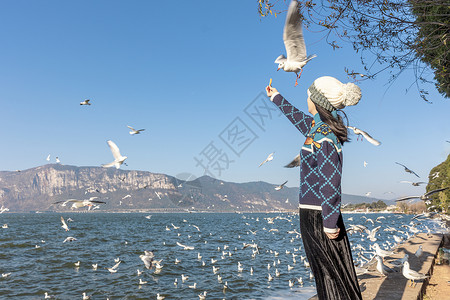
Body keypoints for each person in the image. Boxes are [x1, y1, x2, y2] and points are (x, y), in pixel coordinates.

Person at [266, 76, 362, 300]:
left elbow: (331, 180)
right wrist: (276, 97)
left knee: (330, 274)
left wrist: (329, 223)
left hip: (318, 215)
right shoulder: (318, 129)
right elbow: (296, 117)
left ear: (318, 101)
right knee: (330, 272)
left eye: (309, 96)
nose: (306, 99)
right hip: (314, 213)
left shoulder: (324, 136)